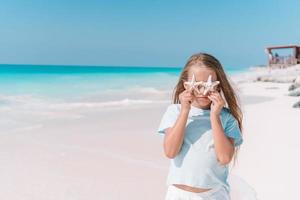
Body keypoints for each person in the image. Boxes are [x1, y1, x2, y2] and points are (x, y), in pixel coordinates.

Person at [157, 52, 243, 200]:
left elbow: (224, 158)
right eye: (197, 85)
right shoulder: (174, 112)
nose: (203, 91)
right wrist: (185, 110)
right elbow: (170, 151)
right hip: (178, 194)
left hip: (214, 195)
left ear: (218, 86)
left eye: (208, 85)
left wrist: (214, 116)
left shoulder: (226, 118)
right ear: (186, 85)